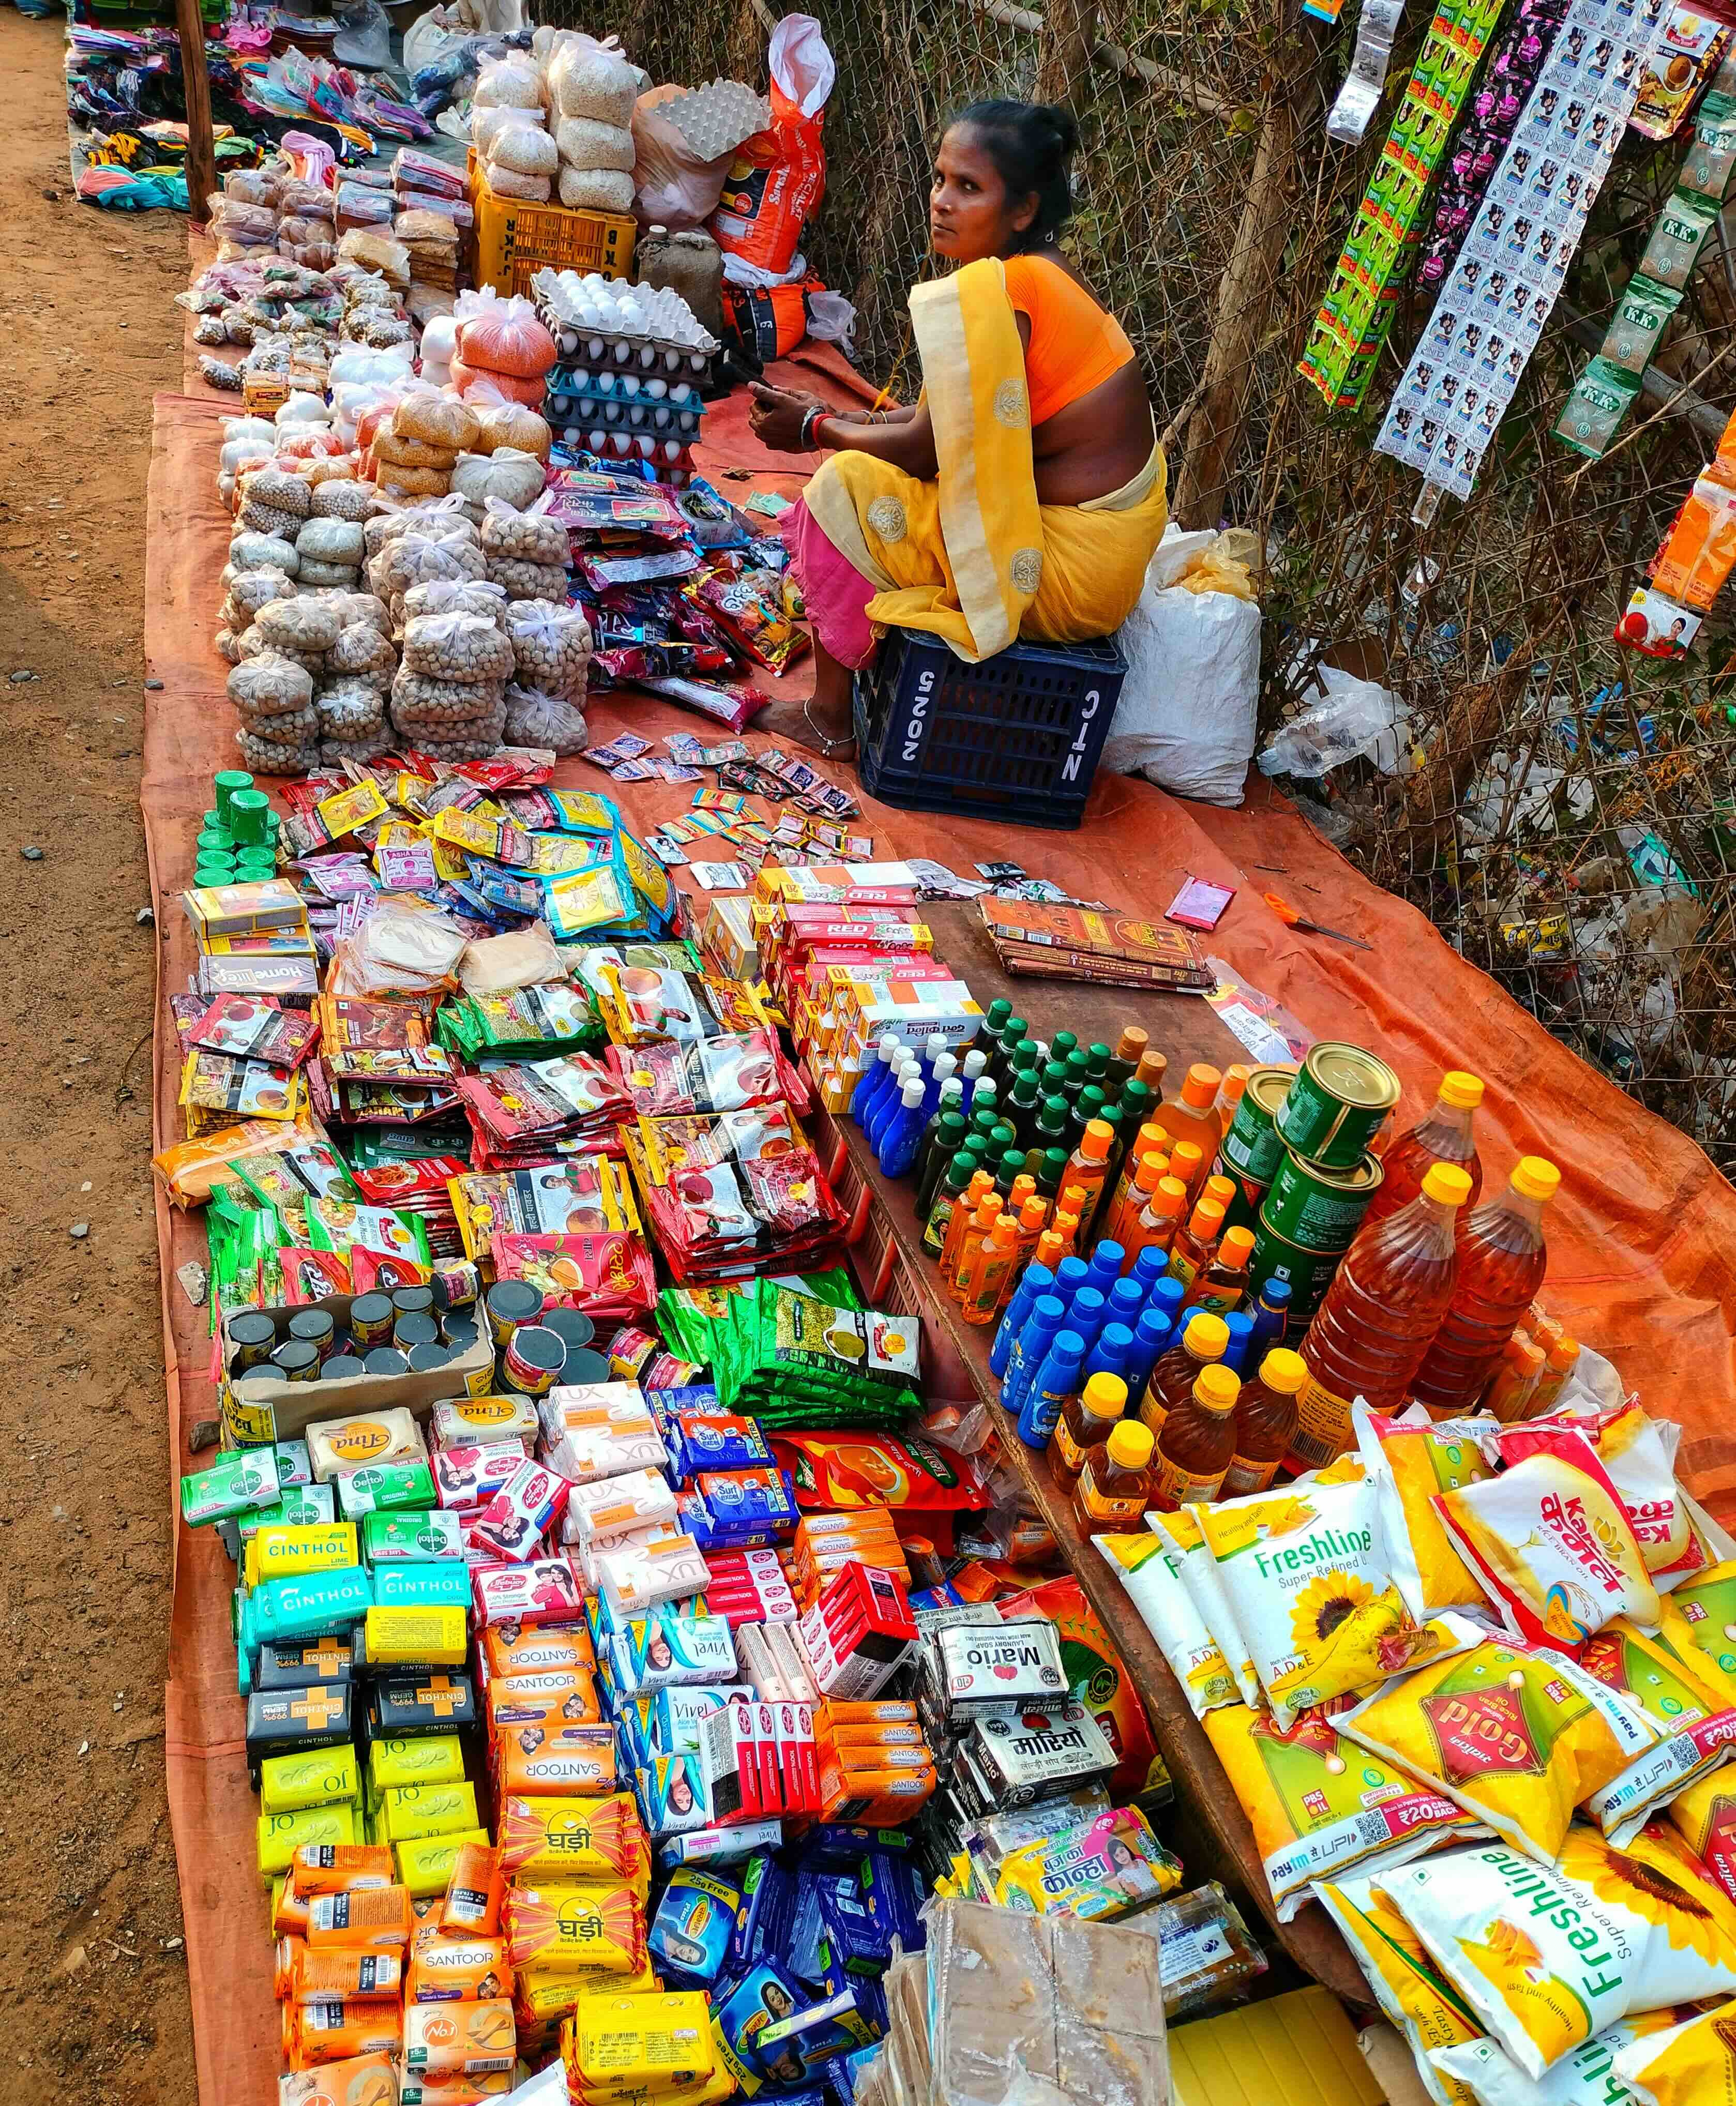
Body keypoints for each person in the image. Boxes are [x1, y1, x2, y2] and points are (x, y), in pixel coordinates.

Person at [748, 100, 1167, 756]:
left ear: (1023, 211)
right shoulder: (1034, 275)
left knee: (846, 486)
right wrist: (842, 416)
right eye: (940, 180)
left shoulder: (1007, 290)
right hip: (1102, 557)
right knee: (862, 460)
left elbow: (924, 449)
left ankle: (831, 720)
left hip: (1070, 566)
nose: (942, 201)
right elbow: (937, 420)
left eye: (968, 188)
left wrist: (815, 428)